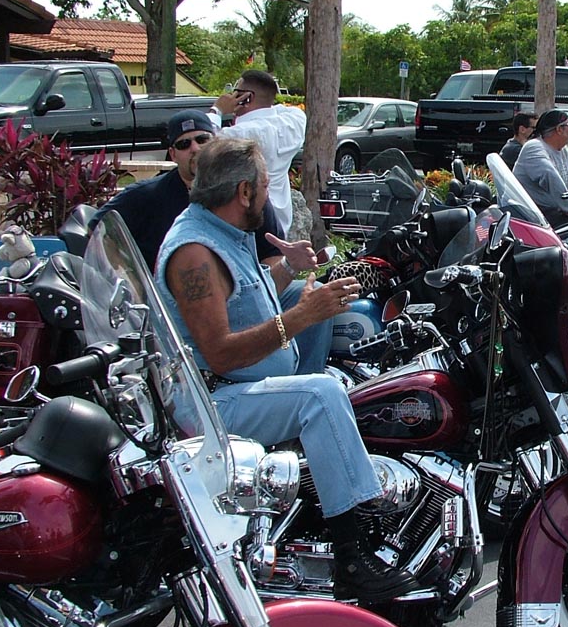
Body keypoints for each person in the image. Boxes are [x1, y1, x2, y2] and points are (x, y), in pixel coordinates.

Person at [155, 137, 414, 601]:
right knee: (321, 395)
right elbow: (219, 352)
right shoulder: (195, 254)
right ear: (244, 192)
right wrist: (300, 317)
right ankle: (353, 555)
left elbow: (243, 299)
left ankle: (324, 486)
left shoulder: (221, 231)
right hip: (210, 404)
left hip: (235, 385)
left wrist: (291, 272)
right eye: (264, 184)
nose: (268, 193)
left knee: (332, 359)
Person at [94, 110, 215, 271]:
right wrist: (123, 271)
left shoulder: (236, 190)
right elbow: (95, 229)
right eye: (184, 144)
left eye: (202, 139)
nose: (195, 148)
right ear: (173, 154)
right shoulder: (145, 195)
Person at [209, 70, 305, 234]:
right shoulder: (295, 122)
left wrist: (216, 110)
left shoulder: (242, 133)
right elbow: (282, 109)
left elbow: (206, 143)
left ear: (247, 97)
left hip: (250, 217)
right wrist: (263, 102)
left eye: (236, 92)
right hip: (281, 220)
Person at [512, 109, 568, 226]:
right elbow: (549, 175)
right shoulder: (534, 147)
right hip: (533, 216)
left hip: (551, 213)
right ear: (559, 129)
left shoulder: (562, 151)